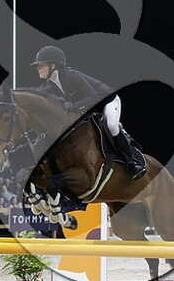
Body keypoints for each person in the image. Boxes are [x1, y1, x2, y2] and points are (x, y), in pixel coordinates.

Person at [31, 45, 146, 180]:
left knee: (111, 126)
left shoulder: (72, 75)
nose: (37, 68)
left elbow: (93, 97)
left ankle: (133, 162)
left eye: (40, 65)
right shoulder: (50, 86)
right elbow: (36, 96)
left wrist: (74, 106)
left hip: (107, 102)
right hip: (88, 109)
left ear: (53, 66)